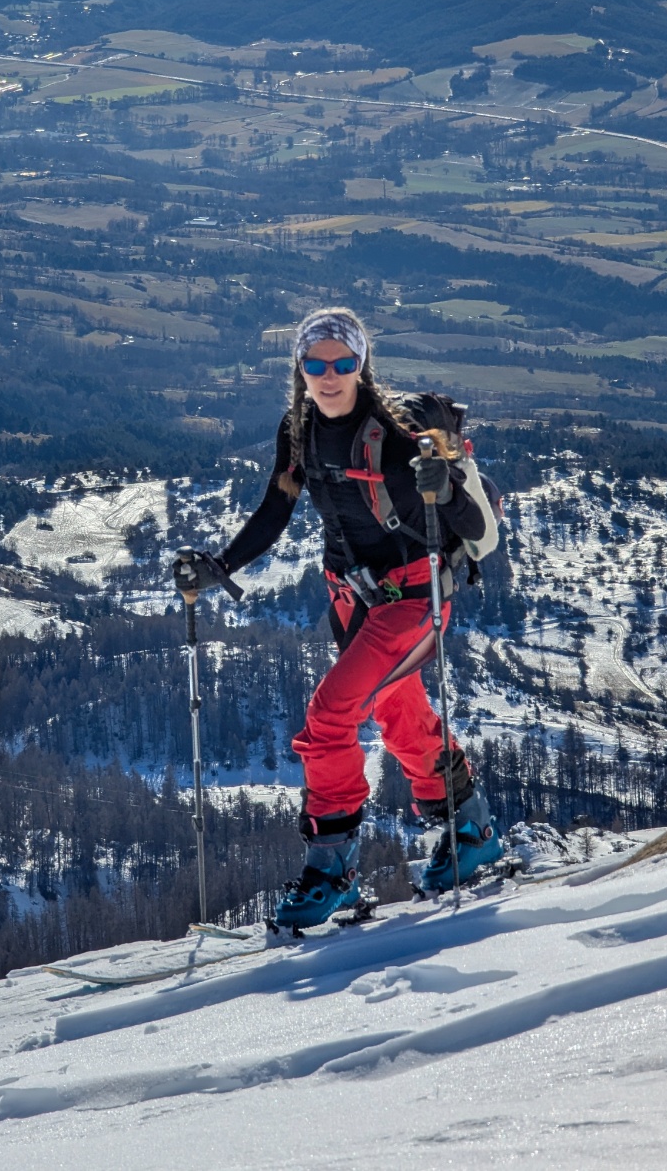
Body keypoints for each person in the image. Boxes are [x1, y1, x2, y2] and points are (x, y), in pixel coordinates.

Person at [175, 306, 503, 928]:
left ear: (361, 365)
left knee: (329, 715)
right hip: (351, 598)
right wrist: (222, 564)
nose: (328, 375)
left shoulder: (395, 434)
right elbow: (276, 507)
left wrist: (447, 487)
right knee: (396, 707)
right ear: (298, 367)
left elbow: (476, 528)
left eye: (342, 362)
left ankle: (333, 868)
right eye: (315, 362)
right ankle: (472, 831)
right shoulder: (297, 428)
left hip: (411, 599)